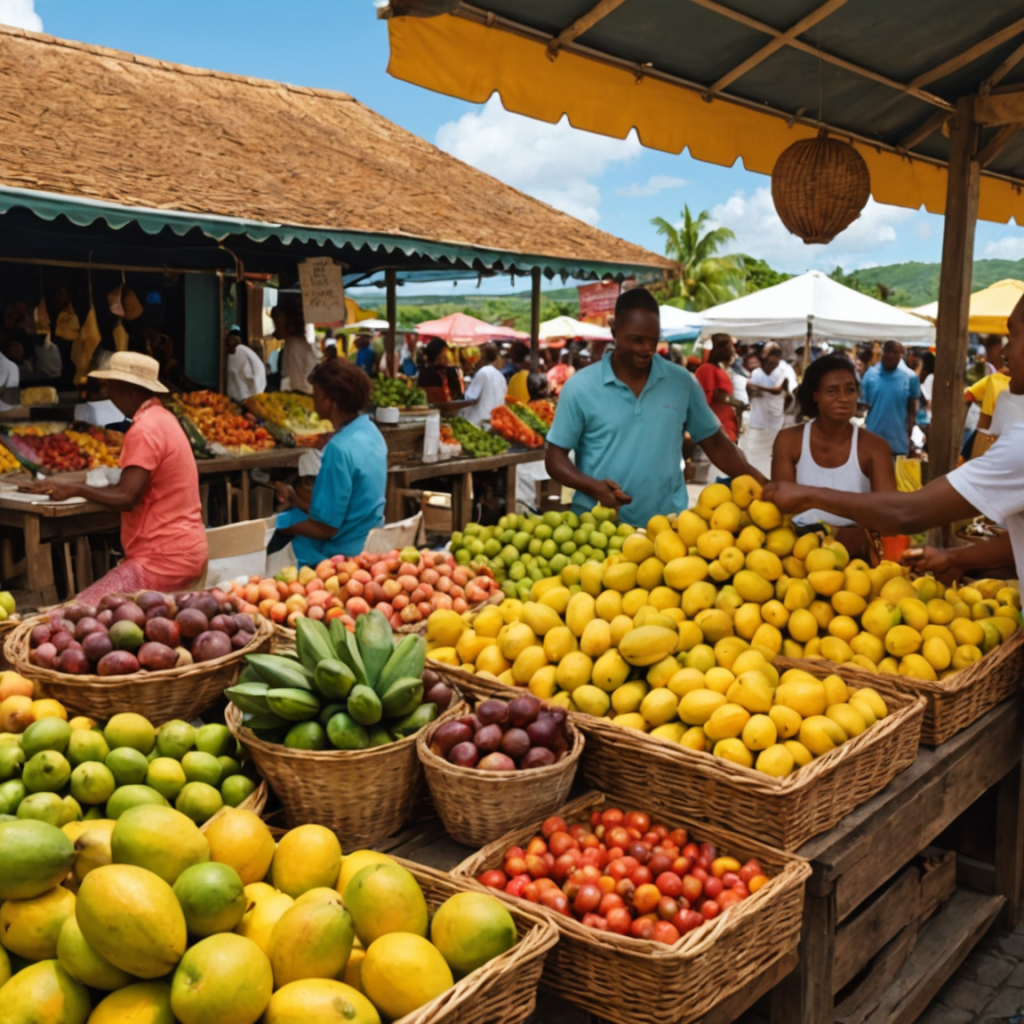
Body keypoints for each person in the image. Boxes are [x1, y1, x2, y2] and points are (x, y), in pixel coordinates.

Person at [545, 288, 764, 527]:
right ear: (614, 331)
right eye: (637, 339)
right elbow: (555, 459)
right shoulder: (580, 387)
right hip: (596, 529)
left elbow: (716, 443)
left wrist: (761, 482)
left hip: (666, 528)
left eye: (653, 339)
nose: (647, 349)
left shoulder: (682, 383)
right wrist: (593, 487)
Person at [25, 352, 207, 602]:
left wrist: (74, 489)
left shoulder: (145, 429)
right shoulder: (162, 418)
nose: (106, 390)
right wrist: (73, 484)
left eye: (110, 385)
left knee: (79, 612)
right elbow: (133, 485)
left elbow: (126, 496)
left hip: (162, 561)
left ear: (129, 389)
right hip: (184, 553)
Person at [772, 354, 896, 558]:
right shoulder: (789, 441)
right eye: (832, 391)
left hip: (856, 556)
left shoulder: (875, 448)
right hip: (797, 553)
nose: (843, 398)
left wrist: (810, 498)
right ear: (815, 396)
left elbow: (888, 512)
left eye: (850, 390)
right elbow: (783, 505)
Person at [272, 359, 387, 565]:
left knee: (272, 541)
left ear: (330, 401)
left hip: (340, 553)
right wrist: (298, 502)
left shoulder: (338, 448)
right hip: (370, 541)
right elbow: (349, 507)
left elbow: (326, 528)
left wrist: (276, 526)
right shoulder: (372, 432)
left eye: (316, 396)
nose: (314, 403)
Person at [859, 340, 920, 456]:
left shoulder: (910, 377)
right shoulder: (870, 374)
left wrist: (909, 435)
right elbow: (863, 404)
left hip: (899, 443)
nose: (891, 356)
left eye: (895, 352)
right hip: (873, 440)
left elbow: (912, 410)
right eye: (889, 352)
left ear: (901, 355)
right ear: (883, 352)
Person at [741, 343, 791, 475]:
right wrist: (751, 388)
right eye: (770, 355)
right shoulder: (756, 373)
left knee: (773, 454)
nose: (773, 359)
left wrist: (755, 385)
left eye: (775, 355)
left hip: (775, 421)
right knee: (754, 454)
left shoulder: (782, 371)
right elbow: (749, 392)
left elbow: (778, 389)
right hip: (758, 421)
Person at [695, 334, 744, 442]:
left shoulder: (722, 370)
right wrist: (736, 403)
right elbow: (712, 396)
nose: (733, 352)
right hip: (715, 422)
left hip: (726, 421)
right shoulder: (707, 369)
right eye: (731, 347)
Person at [274, 304, 317, 395]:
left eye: (277, 324)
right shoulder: (298, 343)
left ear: (290, 325)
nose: (275, 329)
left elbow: (296, 384)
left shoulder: (293, 345)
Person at [461, 343, 508, 427]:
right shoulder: (500, 376)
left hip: (476, 423)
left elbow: (470, 398)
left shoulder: (483, 372)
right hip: (492, 423)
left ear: (483, 356)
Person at [418, 337, 465, 404]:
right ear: (438, 355)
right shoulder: (428, 374)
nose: (447, 356)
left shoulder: (449, 372)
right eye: (444, 352)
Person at [226, 329, 267, 403]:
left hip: (247, 398)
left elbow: (237, 378)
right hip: (253, 397)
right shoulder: (244, 352)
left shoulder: (240, 352)